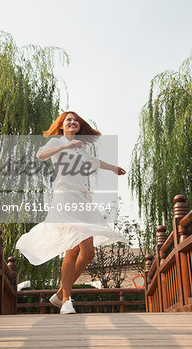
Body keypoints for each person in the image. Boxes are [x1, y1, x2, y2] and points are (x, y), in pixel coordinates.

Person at [16, 111, 127, 314]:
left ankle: (59, 294)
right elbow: (40, 155)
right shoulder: (56, 143)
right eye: (69, 120)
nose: (73, 122)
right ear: (62, 126)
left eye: (76, 120)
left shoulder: (81, 149)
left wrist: (113, 168)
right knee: (72, 247)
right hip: (65, 198)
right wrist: (66, 145)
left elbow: (96, 162)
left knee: (89, 252)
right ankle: (66, 300)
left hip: (83, 200)